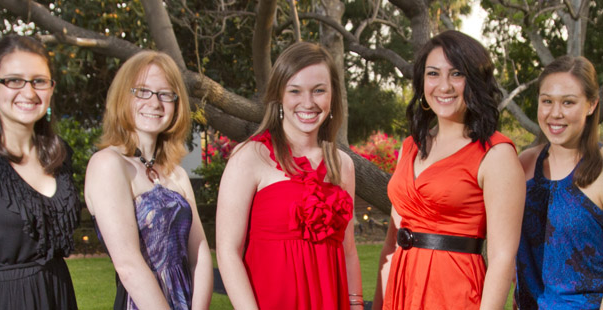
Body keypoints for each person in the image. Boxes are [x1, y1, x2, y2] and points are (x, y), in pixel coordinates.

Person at [372, 30, 525, 310]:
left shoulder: (496, 154)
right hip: (401, 289)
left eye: (456, 74)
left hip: (455, 292)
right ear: (422, 82)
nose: (444, 86)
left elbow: (502, 258)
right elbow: (392, 243)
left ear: (475, 82)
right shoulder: (409, 147)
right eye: (433, 74)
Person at [216, 41, 363, 310]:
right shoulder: (249, 157)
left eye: (319, 90)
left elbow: (349, 249)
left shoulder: (343, 165)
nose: (308, 103)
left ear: (332, 95)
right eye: (295, 91)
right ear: (279, 95)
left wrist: (356, 305)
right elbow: (227, 252)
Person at [84, 51, 213, 309]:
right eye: (142, 91)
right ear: (123, 97)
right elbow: (128, 264)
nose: (155, 103)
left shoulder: (177, 174)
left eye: (165, 94)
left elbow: (199, 256)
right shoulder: (108, 164)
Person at [0, 35, 80, 309]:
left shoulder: (60, 156)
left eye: (39, 81)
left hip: (58, 298)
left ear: (51, 87)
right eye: (14, 80)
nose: (29, 92)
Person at [515, 56, 603, 309]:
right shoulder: (524, 164)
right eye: (547, 101)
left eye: (568, 102)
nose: (555, 113)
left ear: (591, 104)